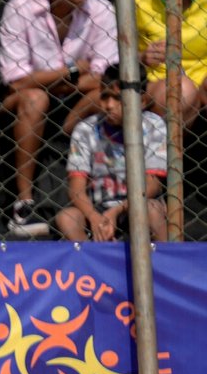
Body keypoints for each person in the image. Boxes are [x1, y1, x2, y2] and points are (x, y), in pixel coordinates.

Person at [0, 0, 118, 238]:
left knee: (104, 95)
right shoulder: (20, 8)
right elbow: (15, 82)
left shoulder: (102, 10)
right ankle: (24, 203)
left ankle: (91, 181)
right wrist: (73, 70)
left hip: (79, 100)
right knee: (35, 99)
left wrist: (46, 79)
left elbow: (104, 78)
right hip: (26, 101)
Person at [54, 67, 167, 243]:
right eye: (105, 96)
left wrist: (117, 211)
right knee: (67, 218)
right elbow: (76, 190)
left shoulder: (154, 126)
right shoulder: (86, 130)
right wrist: (94, 217)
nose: (109, 105)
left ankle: (165, 264)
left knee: (152, 209)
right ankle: (92, 265)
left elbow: (152, 185)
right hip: (97, 208)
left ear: (142, 101)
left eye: (118, 98)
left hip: (138, 205)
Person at [135, 0, 207, 128]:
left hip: (204, 81)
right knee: (180, 91)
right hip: (160, 83)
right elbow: (111, 55)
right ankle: (168, 156)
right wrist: (141, 57)